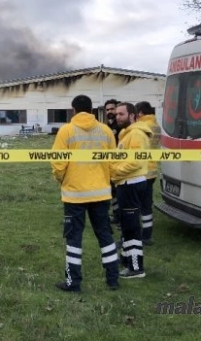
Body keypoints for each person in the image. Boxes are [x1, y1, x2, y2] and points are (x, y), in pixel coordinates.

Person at [51, 95, 119, 292]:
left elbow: (58, 162)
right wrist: (110, 180)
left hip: (75, 195)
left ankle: (73, 282)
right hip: (101, 194)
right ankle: (113, 279)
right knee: (105, 236)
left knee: (74, 239)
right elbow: (113, 162)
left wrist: (62, 179)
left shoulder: (66, 131)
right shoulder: (106, 131)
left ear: (74, 110)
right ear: (91, 110)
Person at [111, 102, 152, 279]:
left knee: (132, 226)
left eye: (121, 114)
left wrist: (115, 172)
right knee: (127, 226)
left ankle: (136, 268)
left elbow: (135, 161)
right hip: (126, 183)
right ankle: (127, 259)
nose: (117, 117)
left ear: (133, 115)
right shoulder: (126, 134)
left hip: (131, 183)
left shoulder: (135, 134)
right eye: (117, 114)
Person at [134, 101, 161, 246]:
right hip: (152, 171)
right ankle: (147, 234)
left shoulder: (142, 127)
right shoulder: (156, 125)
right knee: (146, 205)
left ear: (139, 113)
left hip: (141, 170)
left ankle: (137, 234)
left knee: (135, 205)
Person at [104, 99, 122, 225]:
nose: (110, 111)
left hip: (120, 164)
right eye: (107, 109)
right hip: (110, 164)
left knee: (120, 193)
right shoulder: (107, 126)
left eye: (112, 109)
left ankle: (122, 218)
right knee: (113, 192)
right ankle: (117, 216)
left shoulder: (121, 125)